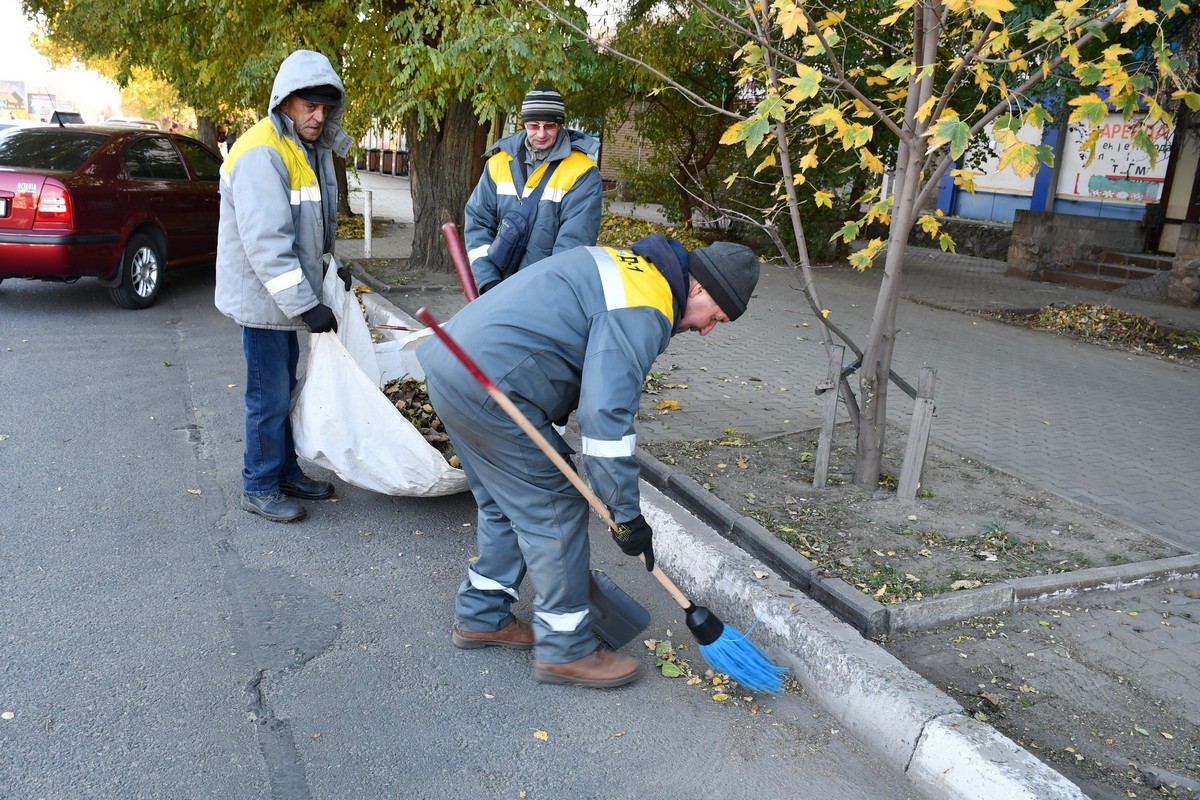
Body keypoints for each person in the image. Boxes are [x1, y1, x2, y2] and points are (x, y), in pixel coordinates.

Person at [416, 235, 761, 688]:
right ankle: (567, 650)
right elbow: (605, 419)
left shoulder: (631, 266)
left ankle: (482, 614)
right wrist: (625, 513)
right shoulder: (647, 306)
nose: (706, 329)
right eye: (714, 317)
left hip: (455, 366)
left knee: (508, 502)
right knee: (554, 508)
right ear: (697, 290)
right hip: (490, 386)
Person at [214, 49, 353, 523]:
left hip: (282, 301)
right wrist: (307, 304)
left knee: (284, 389)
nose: (319, 115)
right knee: (267, 394)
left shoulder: (306, 148)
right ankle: (258, 484)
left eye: (325, 107)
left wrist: (331, 270)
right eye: (309, 106)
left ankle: (284, 471)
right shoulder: (261, 152)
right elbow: (268, 245)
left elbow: (311, 229)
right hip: (265, 300)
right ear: (286, 102)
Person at [463, 86, 603, 294]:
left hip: (544, 296)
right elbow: (478, 224)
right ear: (524, 124)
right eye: (533, 125)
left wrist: (541, 295)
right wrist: (488, 281)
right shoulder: (498, 164)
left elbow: (573, 245)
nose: (541, 134)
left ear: (560, 125)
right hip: (495, 291)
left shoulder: (583, 172)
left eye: (549, 126)